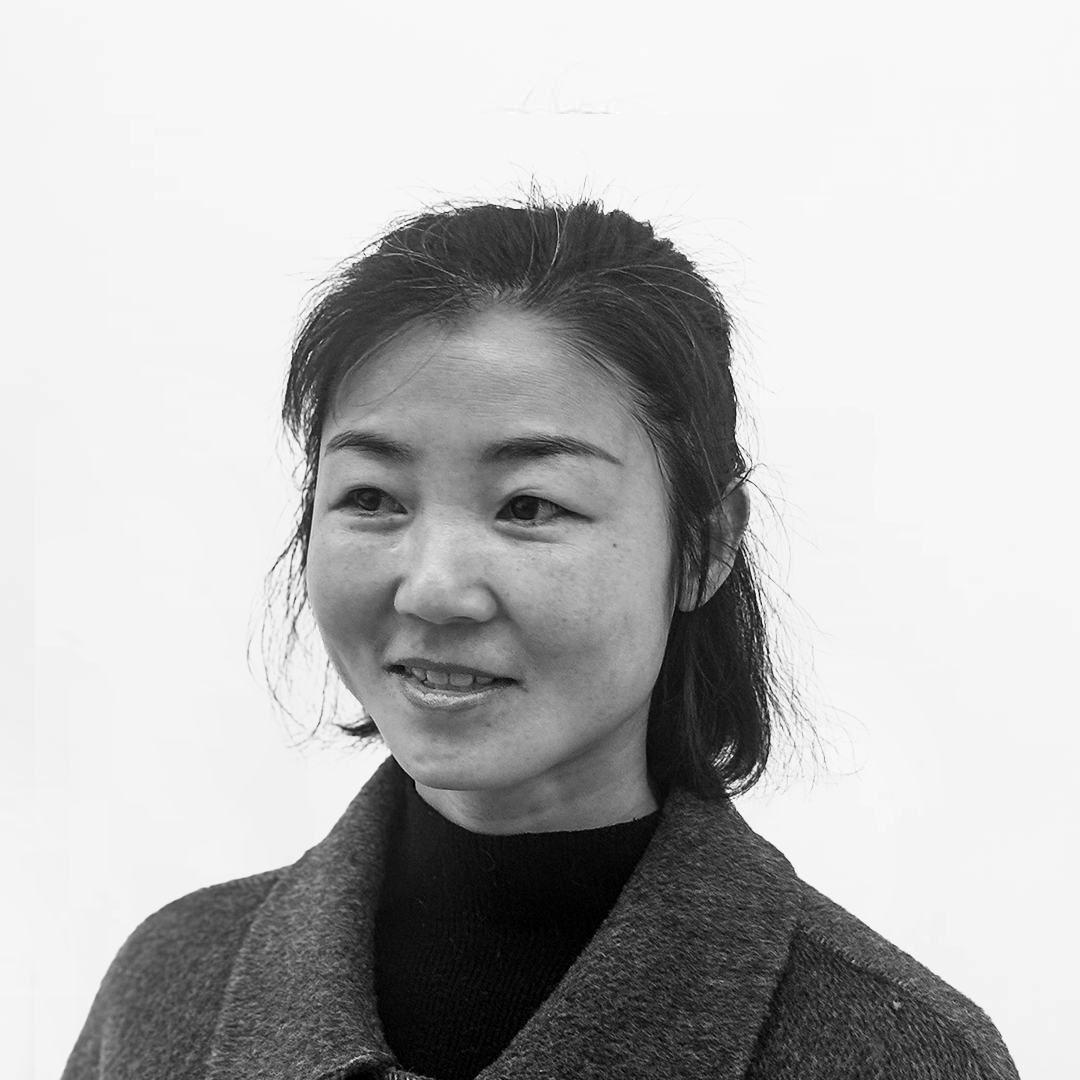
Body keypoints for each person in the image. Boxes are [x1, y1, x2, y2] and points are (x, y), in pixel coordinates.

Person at [61, 199, 1019, 1080]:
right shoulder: (169, 986)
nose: (434, 587)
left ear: (705, 546)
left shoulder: (902, 1054)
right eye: (373, 497)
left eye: (529, 506)